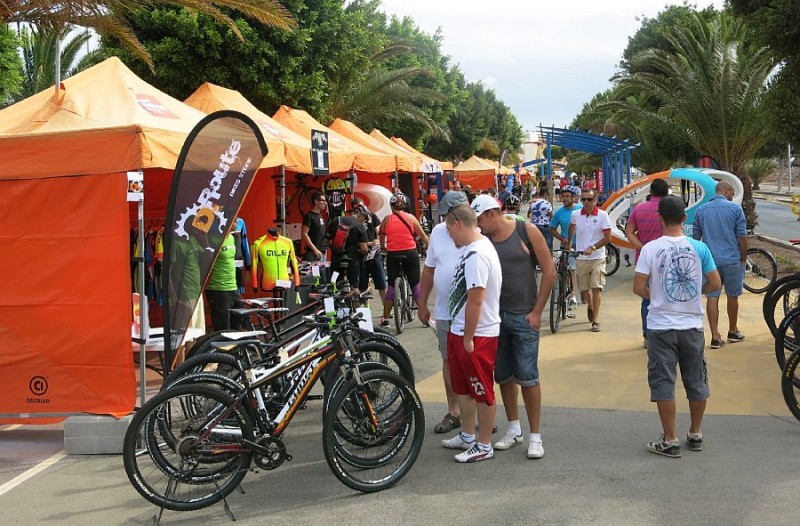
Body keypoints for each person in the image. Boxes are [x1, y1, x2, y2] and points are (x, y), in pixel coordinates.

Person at [634, 195, 721, 458]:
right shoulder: (700, 248)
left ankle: (670, 439)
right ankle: (695, 434)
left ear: (660, 219)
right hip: (692, 325)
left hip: (660, 327)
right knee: (696, 380)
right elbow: (716, 284)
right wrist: (696, 293)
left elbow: (639, 287)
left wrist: (658, 296)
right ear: (684, 219)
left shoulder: (650, 248)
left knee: (664, 382)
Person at [470, 194, 555, 459]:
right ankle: (514, 428)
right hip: (494, 319)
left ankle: (535, 436)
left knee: (528, 376)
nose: (478, 224)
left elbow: (549, 270)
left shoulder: (525, 230)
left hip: (523, 315)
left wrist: (537, 311)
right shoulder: (482, 240)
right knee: (504, 376)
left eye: (480, 219)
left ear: (492, 213)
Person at [440, 203, 502, 463]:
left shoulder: (477, 253)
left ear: (458, 224)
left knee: (481, 389)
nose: (449, 236)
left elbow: (476, 299)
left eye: (449, 230)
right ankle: (467, 435)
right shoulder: (471, 249)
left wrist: (468, 338)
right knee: (462, 388)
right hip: (460, 330)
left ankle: (484, 443)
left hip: (477, 334)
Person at [418, 190, 469, 434]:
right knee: (449, 361)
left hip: (473, 311)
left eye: (447, 216)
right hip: (445, 311)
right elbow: (429, 269)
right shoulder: (438, 232)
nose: (444, 221)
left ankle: (478, 412)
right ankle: (455, 411)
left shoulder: (476, 232)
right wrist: (422, 303)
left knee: (473, 360)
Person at [691, 181, 747, 349]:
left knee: (712, 296)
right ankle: (733, 330)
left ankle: (715, 336)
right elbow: (742, 237)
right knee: (732, 295)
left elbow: (696, 238)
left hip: (710, 262)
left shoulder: (701, 210)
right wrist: (743, 259)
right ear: (727, 190)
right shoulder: (735, 209)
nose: (732, 195)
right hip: (731, 259)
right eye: (732, 192)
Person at [625, 178, 670, 348]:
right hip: (667, 258)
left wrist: (642, 247)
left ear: (651, 192)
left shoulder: (639, 208)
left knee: (647, 298)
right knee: (668, 294)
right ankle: (666, 332)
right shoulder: (668, 210)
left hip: (644, 261)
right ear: (666, 193)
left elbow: (629, 232)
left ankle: (648, 335)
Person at [379, 193, 429, 326]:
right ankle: (424, 317)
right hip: (410, 253)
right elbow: (422, 235)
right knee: (415, 284)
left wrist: (384, 246)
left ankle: (385, 319)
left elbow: (382, 235)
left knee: (390, 285)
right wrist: (430, 246)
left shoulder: (386, 219)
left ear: (391, 206)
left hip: (393, 255)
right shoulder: (411, 218)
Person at [568, 189, 612, 332]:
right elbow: (571, 228)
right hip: (581, 257)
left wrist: (592, 248)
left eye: (589, 199)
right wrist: (569, 244)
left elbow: (607, 238)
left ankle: (596, 320)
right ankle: (590, 305)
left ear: (595, 200)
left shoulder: (603, 215)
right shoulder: (575, 215)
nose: (586, 202)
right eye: (583, 199)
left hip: (597, 256)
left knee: (596, 287)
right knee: (584, 290)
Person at [548, 186, 582, 305]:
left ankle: (583, 291)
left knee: (583, 272)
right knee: (570, 269)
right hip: (567, 246)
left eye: (568, 196)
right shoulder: (559, 212)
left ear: (573, 197)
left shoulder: (580, 209)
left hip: (582, 246)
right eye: (563, 197)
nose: (565, 199)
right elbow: (552, 228)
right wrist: (562, 239)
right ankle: (572, 294)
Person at [351, 197, 387, 302]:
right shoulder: (353, 221)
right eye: (357, 208)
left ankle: (386, 309)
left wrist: (378, 241)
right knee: (362, 284)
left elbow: (378, 230)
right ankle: (364, 309)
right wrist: (368, 243)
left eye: (362, 206)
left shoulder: (372, 216)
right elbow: (353, 240)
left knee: (381, 282)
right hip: (361, 254)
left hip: (374, 253)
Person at [325, 207, 369, 291]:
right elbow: (364, 249)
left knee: (334, 284)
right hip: (352, 260)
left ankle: (335, 302)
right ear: (362, 216)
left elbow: (327, 241)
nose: (363, 222)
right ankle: (354, 301)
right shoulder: (360, 227)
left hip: (336, 259)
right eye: (364, 220)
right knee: (354, 286)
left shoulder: (336, 220)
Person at [205, 231, 240, 330]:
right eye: (234, 221)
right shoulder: (211, 238)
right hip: (218, 288)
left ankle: (237, 346)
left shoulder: (232, 238)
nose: (236, 222)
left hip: (233, 287)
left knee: (239, 325)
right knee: (223, 329)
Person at [301, 191, 328, 261]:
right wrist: (315, 249)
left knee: (322, 271)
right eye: (323, 201)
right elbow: (304, 234)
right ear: (316, 201)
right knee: (314, 272)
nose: (325, 203)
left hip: (322, 252)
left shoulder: (320, 216)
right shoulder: (309, 216)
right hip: (313, 253)